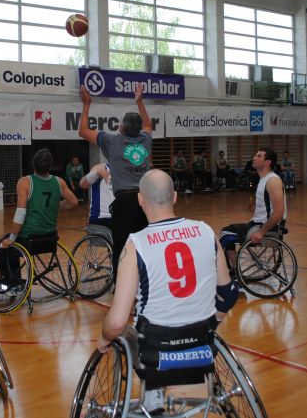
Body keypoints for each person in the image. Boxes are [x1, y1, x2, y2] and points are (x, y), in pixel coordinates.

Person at [96, 170, 237, 415]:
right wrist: (213, 323)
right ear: (174, 196)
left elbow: (117, 322)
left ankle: (153, 394)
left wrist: (105, 337)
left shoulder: (136, 244)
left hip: (155, 349)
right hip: (201, 341)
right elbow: (228, 293)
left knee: (124, 331)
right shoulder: (206, 231)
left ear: (141, 200)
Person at [79, 84, 153, 275]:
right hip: (145, 201)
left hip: (125, 202)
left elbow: (83, 131)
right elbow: (148, 125)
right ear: (139, 130)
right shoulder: (146, 140)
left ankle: (120, 283)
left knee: (120, 246)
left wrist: (86, 104)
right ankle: (145, 279)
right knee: (144, 244)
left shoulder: (113, 141)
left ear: (121, 128)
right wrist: (139, 102)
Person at [0, 149, 78, 281]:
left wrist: (12, 238)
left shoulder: (25, 182)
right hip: (51, 238)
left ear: (33, 164)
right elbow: (74, 202)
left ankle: (13, 284)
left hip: (29, 239)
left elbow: (20, 213)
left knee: (4, 243)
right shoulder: (59, 182)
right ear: (51, 166)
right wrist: (55, 206)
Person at [220, 148, 287, 265]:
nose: (254, 158)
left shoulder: (273, 180)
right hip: (257, 223)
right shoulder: (263, 179)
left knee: (226, 234)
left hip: (267, 228)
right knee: (226, 232)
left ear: (267, 162)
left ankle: (235, 270)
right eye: (255, 155)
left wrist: (261, 232)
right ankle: (235, 269)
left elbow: (279, 212)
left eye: (259, 156)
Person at [79, 162, 114, 228]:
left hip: (122, 216)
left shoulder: (127, 170)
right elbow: (83, 184)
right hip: (101, 218)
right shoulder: (101, 167)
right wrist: (96, 173)